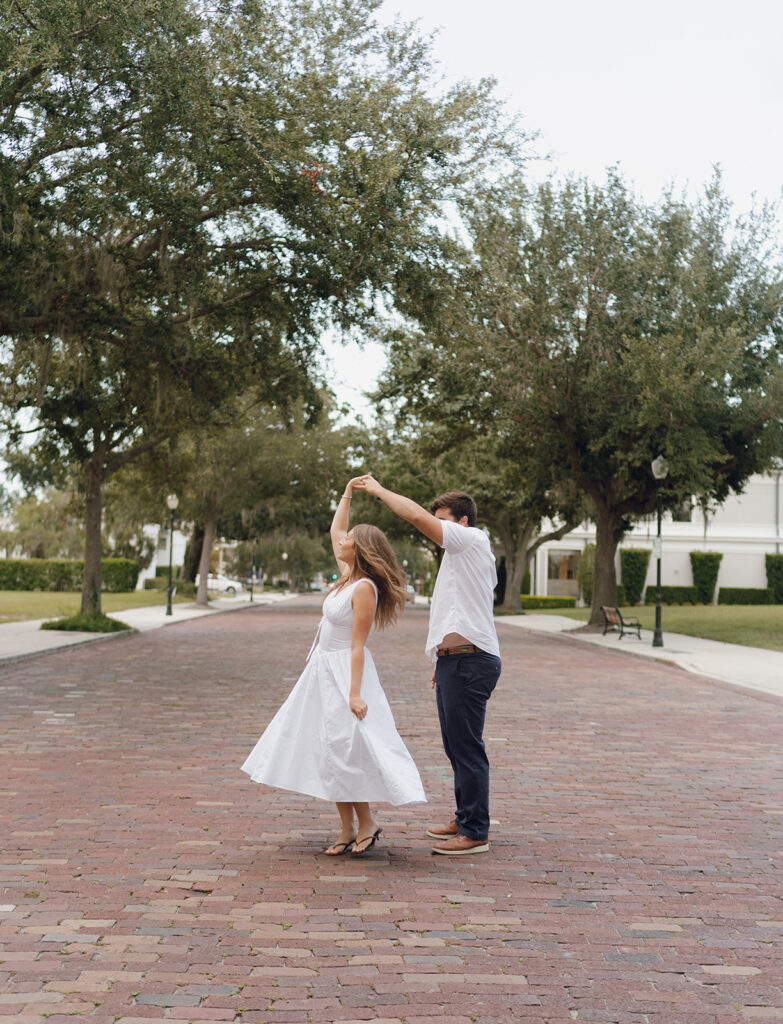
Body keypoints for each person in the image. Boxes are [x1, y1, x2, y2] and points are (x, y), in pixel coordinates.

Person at [241, 477, 426, 855]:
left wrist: (355, 693)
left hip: (346, 673)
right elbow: (335, 528)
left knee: (347, 748)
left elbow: (358, 646)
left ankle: (368, 822)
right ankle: (346, 828)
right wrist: (347, 492)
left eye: (348, 539)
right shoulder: (346, 578)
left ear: (359, 548)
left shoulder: (364, 589)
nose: (341, 541)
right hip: (321, 672)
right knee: (329, 748)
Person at [355, 477, 500, 856]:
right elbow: (455, 610)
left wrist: (380, 491)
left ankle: (475, 831)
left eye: (444, 519)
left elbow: (418, 518)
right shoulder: (459, 556)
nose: (436, 526)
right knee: (455, 746)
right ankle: (464, 816)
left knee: (467, 747)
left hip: (472, 660)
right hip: (456, 660)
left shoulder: (472, 539)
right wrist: (440, 656)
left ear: (462, 521)